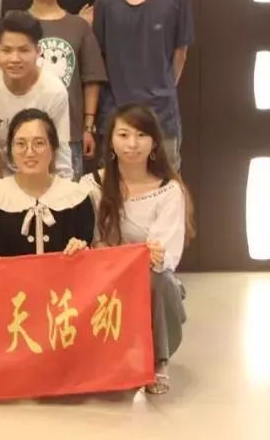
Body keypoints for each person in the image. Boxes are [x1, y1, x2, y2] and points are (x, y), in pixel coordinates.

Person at [82, 103, 194, 395]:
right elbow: (90, 239)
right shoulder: (91, 185)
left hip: (146, 279)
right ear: (111, 141)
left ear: (155, 143)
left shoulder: (169, 190)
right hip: (103, 277)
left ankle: (158, 361)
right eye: (123, 135)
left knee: (160, 278)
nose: (132, 144)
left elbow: (164, 254)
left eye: (141, 135)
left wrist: (149, 255)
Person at [94, 0, 193, 170]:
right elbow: (100, 57)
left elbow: (180, 53)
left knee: (167, 182)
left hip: (162, 114)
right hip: (116, 112)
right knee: (114, 184)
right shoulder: (106, 3)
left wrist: (164, 88)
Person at [24, 0, 107, 177]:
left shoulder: (78, 26)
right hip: (23, 130)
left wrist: (88, 127)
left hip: (70, 133)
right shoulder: (16, 23)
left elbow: (91, 80)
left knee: (69, 194)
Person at [0, 11, 72, 180]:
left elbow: (58, 146)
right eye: (6, 50)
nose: (15, 59)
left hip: (43, 176)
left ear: (38, 51)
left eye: (24, 50)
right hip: (4, 177)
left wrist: (56, 186)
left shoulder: (54, 91)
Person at [0, 109, 95, 257]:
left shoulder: (76, 197)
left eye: (39, 143)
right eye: (20, 144)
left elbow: (88, 251)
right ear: (10, 150)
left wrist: (80, 248)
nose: (29, 152)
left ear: (53, 148)